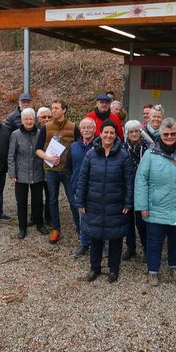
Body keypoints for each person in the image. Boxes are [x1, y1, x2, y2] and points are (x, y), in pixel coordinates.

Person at [135, 118, 176, 287]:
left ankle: (174, 266)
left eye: (173, 134)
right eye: (166, 134)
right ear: (160, 135)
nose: (170, 137)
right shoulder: (150, 154)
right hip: (156, 206)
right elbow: (141, 179)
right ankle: (153, 271)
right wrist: (142, 205)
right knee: (154, 241)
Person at [74, 120, 134, 283]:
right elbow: (83, 179)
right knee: (95, 238)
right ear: (100, 133)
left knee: (115, 239)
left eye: (112, 133)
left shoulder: (123, 155)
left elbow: (129, 181)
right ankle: (95, 268)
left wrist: (128, 203)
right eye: (106, 132)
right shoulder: (91, 154)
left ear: (116, 135)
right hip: (94, 203)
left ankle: (114, 269)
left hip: (116, 204)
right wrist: (80, 202)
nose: (108, 135)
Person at [35, 99, 80, 244]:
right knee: (52, 200)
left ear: (64, 110)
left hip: (68, 171)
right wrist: (47, 157)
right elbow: (38, 149)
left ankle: (80, 229)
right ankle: (56, 229)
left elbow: (79, 146)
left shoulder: (73, 127)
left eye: (56, 108)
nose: (53, 111)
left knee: (73, 200)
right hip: (51, 170)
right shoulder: (45, 128)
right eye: (52, 108)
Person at [8, 108, 47, 239]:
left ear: (35, 120)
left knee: (38, 201)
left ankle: (39, 224)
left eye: (31, 119)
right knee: (21, 202)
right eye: (26, 119)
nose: (29, 121)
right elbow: (11, 156)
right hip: (21, 174)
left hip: (37, 173)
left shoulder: (41, 133)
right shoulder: (15, 134)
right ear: (22, 121)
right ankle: (22, 227)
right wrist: (12, 173)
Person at [64, 117, 97, 257]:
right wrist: (72, 181)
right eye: (83, 127)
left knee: (97, 217)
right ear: (80, 130)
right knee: (82, 216)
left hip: (96, 188)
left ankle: (99, 243)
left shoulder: (100, 145)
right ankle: (84, 243)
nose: (86, 130)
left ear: (95, 129)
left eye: (89, 127)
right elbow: (67, 168)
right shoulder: (74, 146)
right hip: (78, 188)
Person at [121, 120, 150, 261]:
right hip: (126, 188)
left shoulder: (148, 148)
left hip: (142, 189)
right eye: (131, 131)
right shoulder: (121, 148)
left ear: (140, 132)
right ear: (127, 133)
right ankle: (130, 247)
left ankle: (146, 248)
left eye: (136, 131)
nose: (134, 134)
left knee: (142, 221)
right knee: (127, 221)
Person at [36, 106, 52, 224]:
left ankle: (49, 217)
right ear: (38, 119)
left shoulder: (53, 130)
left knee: (50, 194)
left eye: (49, 117)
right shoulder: (34, 130)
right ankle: (36, 217)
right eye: (44, 117)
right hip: (35, 167)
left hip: (49, 167)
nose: (47, 119)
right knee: (36, 196)